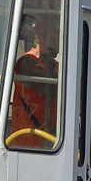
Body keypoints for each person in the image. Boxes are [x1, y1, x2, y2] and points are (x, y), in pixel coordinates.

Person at [8, 20, 58, 148]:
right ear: (39, 38)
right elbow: (48, 89)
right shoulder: (27, 62)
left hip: (49, 136)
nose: (58, 43)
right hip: (27, 137)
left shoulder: (53, 65)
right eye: (53, 38)